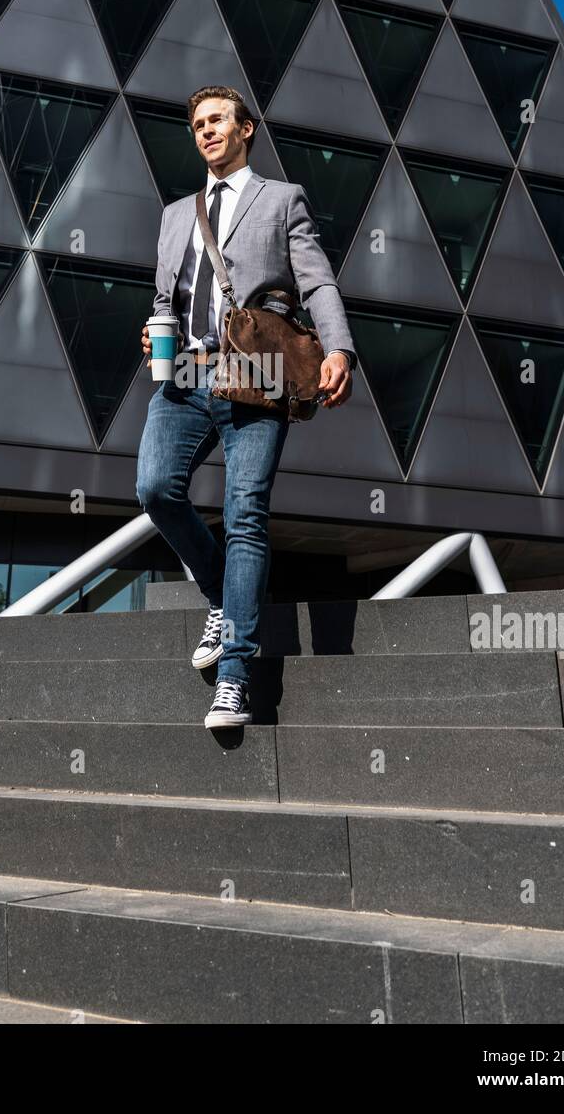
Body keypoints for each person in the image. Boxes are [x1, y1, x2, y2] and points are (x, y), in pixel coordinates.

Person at [136, 86, 357, 728]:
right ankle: (218, 594)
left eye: (217, 122)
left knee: (246, 514)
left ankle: (234, 671)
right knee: (155, 488)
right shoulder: (176, 214)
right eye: (198, 124)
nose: (206, 132)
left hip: (256, 371)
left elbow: (316, 281)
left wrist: (337, 349)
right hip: (185, 372)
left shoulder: (281, 199)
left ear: (246, 130)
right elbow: (163, 301)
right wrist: (153, 331)